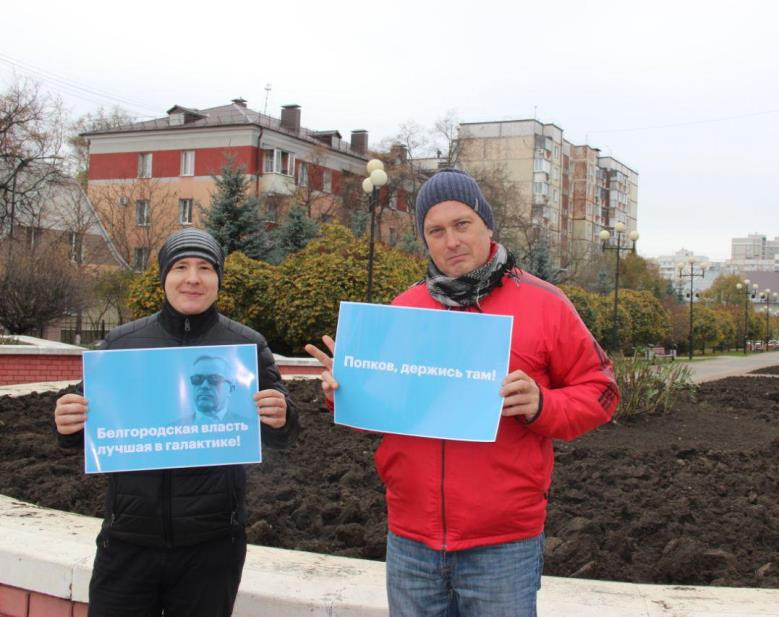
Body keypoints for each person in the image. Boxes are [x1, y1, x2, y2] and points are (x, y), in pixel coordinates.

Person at [305, 168, 619, 617]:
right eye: (436, 231)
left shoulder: (545, 304)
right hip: (411, 540)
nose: (451, 241)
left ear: (487, 225)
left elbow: (602, 391)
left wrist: (543, 404)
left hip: (502, 545)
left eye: (462, 224)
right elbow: (381, 409)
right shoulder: (404, 309)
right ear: (425, 240)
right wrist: (346, 390)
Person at [54, 228, 298, 617]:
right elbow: (82, 424)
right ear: (164, 276)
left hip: (211, 547)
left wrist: (281, 417)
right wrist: (67, 421)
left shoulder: (247, 346)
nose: (192, 278)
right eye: (181, 267)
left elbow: (284, 432)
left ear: (218, 278)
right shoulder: (121, 345)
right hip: (128, 543)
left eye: (205, 268)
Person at [188, 355, 244, 423]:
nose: (204, 386)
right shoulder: (176, 427)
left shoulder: (250, 426)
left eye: (215, 378)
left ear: (231, 389)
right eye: (197, 379)